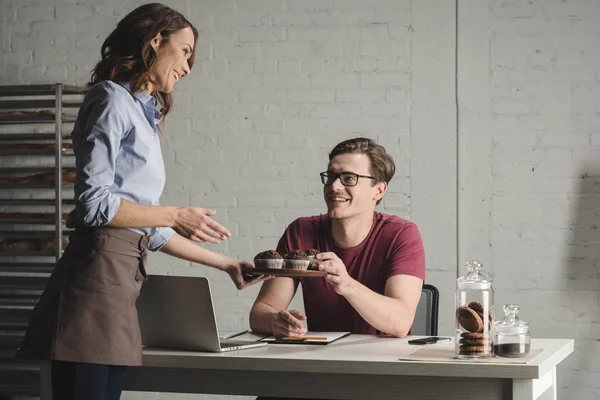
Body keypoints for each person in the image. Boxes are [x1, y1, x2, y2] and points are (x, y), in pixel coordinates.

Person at [17, 4, 266, 400]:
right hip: (97, 278)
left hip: (119, 282)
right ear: (155, 41)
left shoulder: (141, 112)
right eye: (185, 51)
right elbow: (94, 205)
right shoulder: (111, 100)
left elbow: (144, 228)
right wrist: (175, 213)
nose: (188, 66)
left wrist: (227, 264)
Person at [250, 138, 425, 340]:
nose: (334, 186)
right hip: (321, 361)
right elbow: (260, 312)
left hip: (383, 363)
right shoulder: (301, 231)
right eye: (331, 176)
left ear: (378, 190)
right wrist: (275, 322)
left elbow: (400, 323)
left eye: (349, 178)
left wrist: (347, 285)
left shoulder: (401, 234)